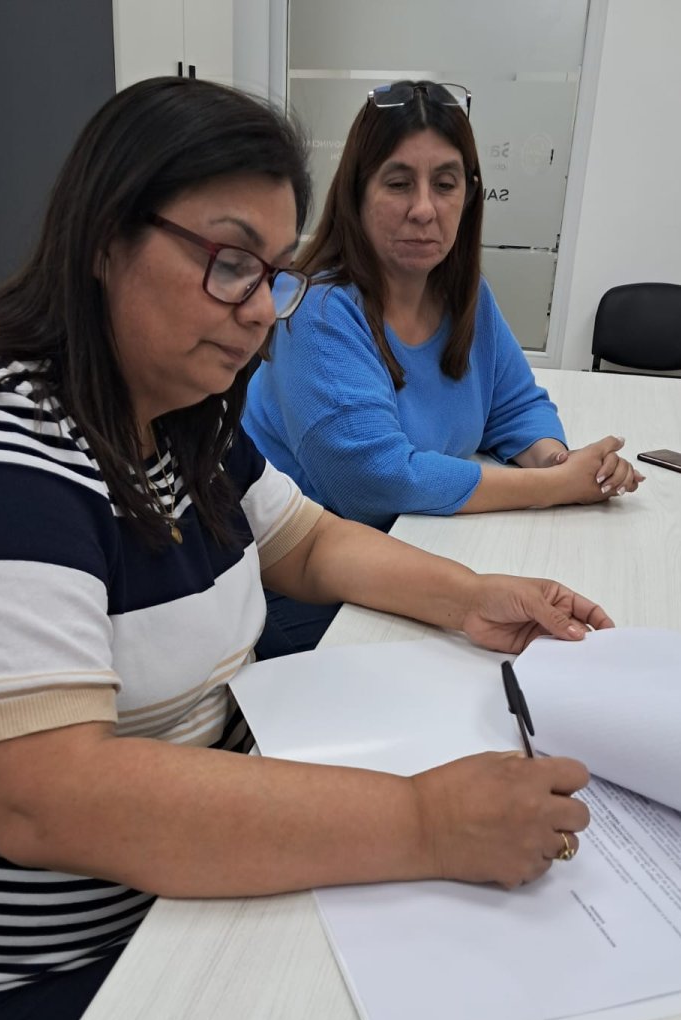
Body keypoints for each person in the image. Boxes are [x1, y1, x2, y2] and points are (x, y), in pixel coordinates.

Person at [0, 76, 604, 1020]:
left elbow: (306, 541)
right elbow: (47, 799)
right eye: (227, 263)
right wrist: (424, 824)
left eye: (272, 274)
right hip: (53, 966)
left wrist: (471, 595)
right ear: (103, 237)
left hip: (193, 876)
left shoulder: (169, 405)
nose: (259, 311)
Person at [243, 80, 644, 655]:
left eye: (446, 184)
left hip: (425, 547)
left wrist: (561, 462)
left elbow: (515, 406)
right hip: (310, 589)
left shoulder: (467, 296)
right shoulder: (317, 311)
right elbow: (374, 481)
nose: (424, 209)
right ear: (356, 192)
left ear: (470, 196)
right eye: (399, 183)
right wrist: (551, 486)